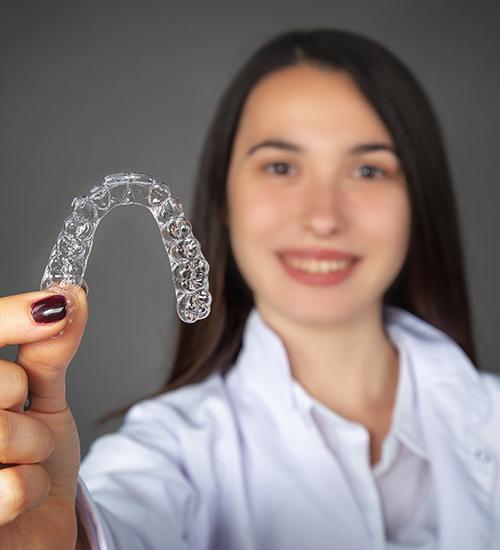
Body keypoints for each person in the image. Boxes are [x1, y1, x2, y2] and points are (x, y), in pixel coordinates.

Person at [0, 27, 499, 550]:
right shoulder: (168, 451)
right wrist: (65, 537)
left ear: (419, 201)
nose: (323, 217)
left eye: (368, 169)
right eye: (281, 166)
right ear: (225, 199)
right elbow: (119, 522)